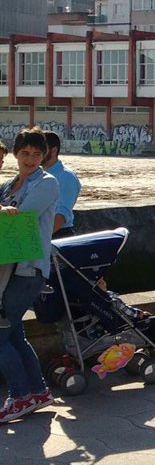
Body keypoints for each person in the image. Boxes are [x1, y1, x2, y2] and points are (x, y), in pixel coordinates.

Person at [0, 127, 60, 423]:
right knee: (15, 333)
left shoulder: (47, 183)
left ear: (44, 155)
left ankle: (20, 396)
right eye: (25, 153)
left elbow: (21, 217)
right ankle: (38, 391)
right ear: (15, 154)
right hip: (9, 267)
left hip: (28, 268)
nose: (31, 159)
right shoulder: (9, 184)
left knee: (0, 334)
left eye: (37, 154)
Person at [42, 131, 82, 239]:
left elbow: (61, 216)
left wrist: (37, 239)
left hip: (58, 235)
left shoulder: (66, 176)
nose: (37, 152)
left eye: (41, 149)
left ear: (54, 150)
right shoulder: (37, 174)